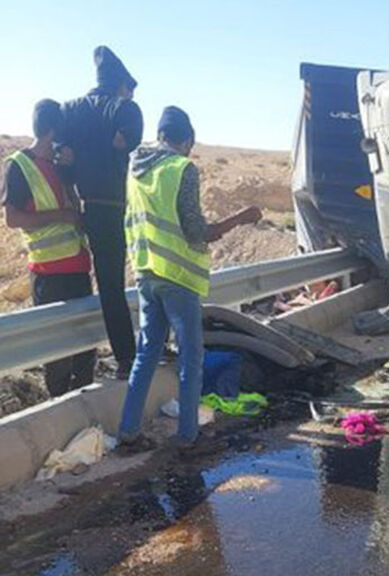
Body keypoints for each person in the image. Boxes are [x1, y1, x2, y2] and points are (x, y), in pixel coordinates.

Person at [117, 106, 261, 453]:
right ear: (186, 140)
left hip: (145, 271)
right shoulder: (182, 169)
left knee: (147, 352)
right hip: (177, 276)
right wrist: (240, 218)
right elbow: (196, 231)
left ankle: (128, 430)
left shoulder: (136, 169)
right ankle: (187, 436)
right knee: (190, 355)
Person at [1, 100, 96, 396]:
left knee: (85, 349)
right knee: (57, 357)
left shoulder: (60, 165)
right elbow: (12, 218)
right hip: (48, 273)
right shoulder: (19, 165)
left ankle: (86, 419)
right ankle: (59, 413)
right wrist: (62, 216)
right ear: (54, 130)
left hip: (78, 267)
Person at [60, 46, 144, 379]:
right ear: (121, 84)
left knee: (82, 280)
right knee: (112, 284)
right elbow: (123, 143)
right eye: (130, 87)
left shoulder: (69, 110)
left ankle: (86, 360)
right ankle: (126, 357)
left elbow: (63, 156)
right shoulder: (125, 108)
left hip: (76, 206)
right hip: (113, 208)